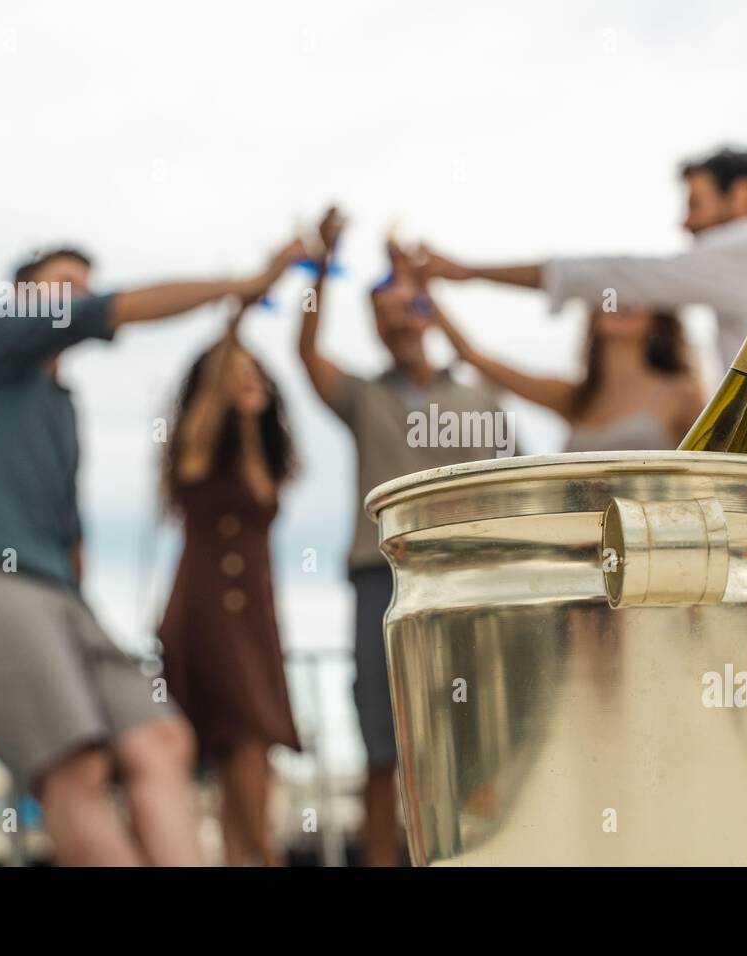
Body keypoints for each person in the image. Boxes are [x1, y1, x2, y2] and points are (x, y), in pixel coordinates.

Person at [414, 146, 747, 866]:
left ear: (741, 198)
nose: (684, 220)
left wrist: (459, 269)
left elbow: (613, 274)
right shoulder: (736, 285)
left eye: (695, 202)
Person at [0, 235, 308, 866]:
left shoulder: (62, 409)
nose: (77, 299)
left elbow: (70, 534)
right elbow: (121, 309)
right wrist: (243, 284)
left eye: (84, 288)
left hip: (58, 593)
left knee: (163, 741)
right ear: (18, 297)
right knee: (79, 768)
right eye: (63, 284)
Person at [296, 210, 514, 865]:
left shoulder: (480, 401)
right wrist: (321, 265)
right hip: (382, 578)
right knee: (381, 747)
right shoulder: (363, 397)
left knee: (479, 739)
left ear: (425, 310)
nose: (394, 321)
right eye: (381, 313)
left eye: (404, 307)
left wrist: (425, 286)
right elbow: (304, 353)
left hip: (471, 578)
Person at [158, 305, 302, 867]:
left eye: (255, 371)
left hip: (255, 622)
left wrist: (247, 415)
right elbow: (207, 408)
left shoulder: (260, 454)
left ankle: (249, 857)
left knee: (249, 754)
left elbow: (262, 494)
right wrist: (239, 312)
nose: (247, 380)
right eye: (234, 373)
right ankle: (262, 858)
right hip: (210, 616)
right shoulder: (195, 453)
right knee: (244, 743)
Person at [413, 278, 704, 451]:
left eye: (634, 293)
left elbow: (713, 477)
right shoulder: (576, 397)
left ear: (659, 317)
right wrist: (425, 298)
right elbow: (472, 355)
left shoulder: (681, 394)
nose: (619, 301)